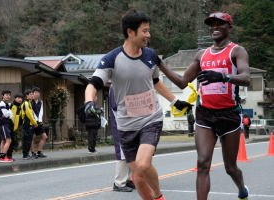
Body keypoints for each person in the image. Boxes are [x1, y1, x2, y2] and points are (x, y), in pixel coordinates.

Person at [84, 10, 191, 200]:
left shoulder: (150, 55)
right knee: (138, 177)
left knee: (142, 164)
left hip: (151, 118)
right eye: (145, 31)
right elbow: (94, 83)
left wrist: (175, 100)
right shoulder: (111, 59)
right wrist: (88, 102)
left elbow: (156, 81)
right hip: (126, 123)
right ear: (130, 32)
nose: (148, 35)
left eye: (149, 31)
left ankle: (159, 196)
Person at [157, 12, 250, 200]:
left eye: (220, 24)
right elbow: (182, 82)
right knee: (202, 163)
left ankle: (242, 190)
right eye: (212, 24)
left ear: (229, 28)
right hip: (205, 115)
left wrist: (223, 76)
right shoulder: (202, 55)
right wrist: (159, 64)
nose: (214, 27)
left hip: (229, 116)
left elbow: (246, 78)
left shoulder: (237, 51)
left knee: (230, 168)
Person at [109, 85, 135, 192]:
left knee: (130, 153)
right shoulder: (115, 87)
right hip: (120, 126)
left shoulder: (120, 85)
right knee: (123, 154)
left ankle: (127, 179)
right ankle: (119, 183)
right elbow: (117, 106)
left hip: (127, 125)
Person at [30, 87, 47, 158]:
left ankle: (39, 152)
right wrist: (34, 121)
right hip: (31, 122)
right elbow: (31, 112)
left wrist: (39, 121)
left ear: (39, 94)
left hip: (39, 122)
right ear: (32, 93)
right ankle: (33, 153)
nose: (36, 94)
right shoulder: (30, 102)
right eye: (35, 93)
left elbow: (41, 112)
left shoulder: (41, 102)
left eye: (38, 92)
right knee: (31, 138)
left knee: (44, 137)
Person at [0, 90, 14, 162]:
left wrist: (8, 114)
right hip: (3, 124)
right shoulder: (2, 103)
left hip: (4, 124)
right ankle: (3, 157)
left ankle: (1, 156)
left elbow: (11, 115)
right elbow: (8, 115)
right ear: (2, 95)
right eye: (6, 94)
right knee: (8, 140)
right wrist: (8, 114)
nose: (8, 96)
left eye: (9, 95)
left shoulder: (5, 104)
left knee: (3, 140)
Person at [21, 89, 38, 160]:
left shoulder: (29, 103)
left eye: (32, 94)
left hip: (28, 124)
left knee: (28, 139)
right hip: (27, 124)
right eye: (30, 94)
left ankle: (26, 154)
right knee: (28, 139)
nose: (32, 95)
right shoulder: (26, 103)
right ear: (26, 95)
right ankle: (25, 155)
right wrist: (35, 123)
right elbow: (29, 115)